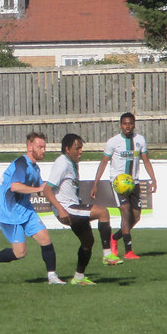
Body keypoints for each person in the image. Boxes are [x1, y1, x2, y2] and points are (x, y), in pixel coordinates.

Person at [0, 131, 71, 285]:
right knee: (20, 253)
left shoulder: (35, 168)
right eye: (40, 147)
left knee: (45, 238)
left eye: (44, 147)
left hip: (26, 210)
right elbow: (15, 186)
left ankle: (52, 277)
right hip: (9, 213)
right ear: (30, 147)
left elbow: (41, 187)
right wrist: (37, 190)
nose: (43, 150)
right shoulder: (21, 164)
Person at [45, 133, 121, 284]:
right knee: (103, 212)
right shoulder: (62, 163)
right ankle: (107, 254)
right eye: (77, 148)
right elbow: (47, 190)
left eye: (81, 148)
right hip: (66, 208)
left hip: (72, 206)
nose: (80, 151)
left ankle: (79, 277)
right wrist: (61, 209)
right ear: (67, 149)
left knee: (88, 242)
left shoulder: (72, 163)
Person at [92, 112, 158, 259]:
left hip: (134, 183)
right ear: (120, 125)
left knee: (136, 217)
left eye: (130, 123)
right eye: (124, 124)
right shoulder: (113, 142)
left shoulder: (140, 140)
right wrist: (95, 183)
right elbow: (104, 162)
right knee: (125, 210)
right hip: (118, 183)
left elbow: (146, 160)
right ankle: (128, 251)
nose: (127, 126)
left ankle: (114, 238)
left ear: (134, 124)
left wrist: (153, 179)